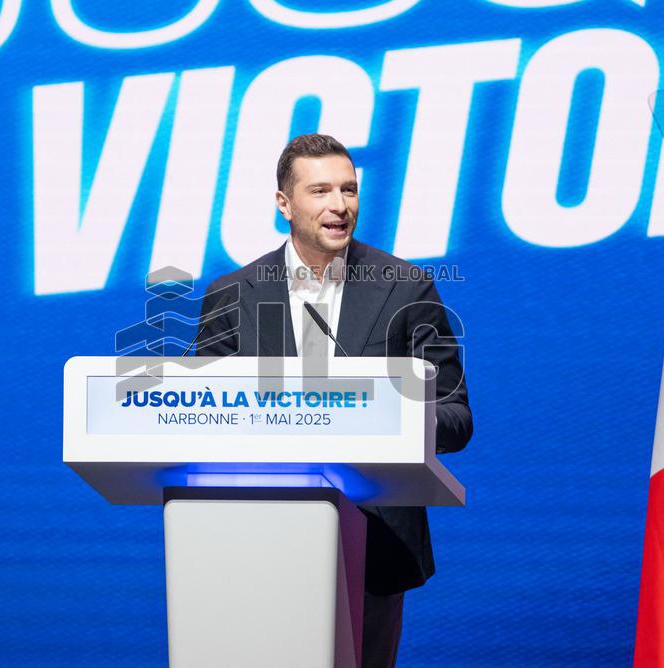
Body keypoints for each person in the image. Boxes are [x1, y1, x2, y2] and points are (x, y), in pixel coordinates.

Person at [195, 133, 472, 667]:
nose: (338, 206)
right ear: (284, 203)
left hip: (373, 545)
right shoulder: (232, 294)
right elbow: (197, 416)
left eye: (348, 190)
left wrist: (380, 416)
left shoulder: (407, 288)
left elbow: (457, 417)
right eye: (320, 190)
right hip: (253, 542)